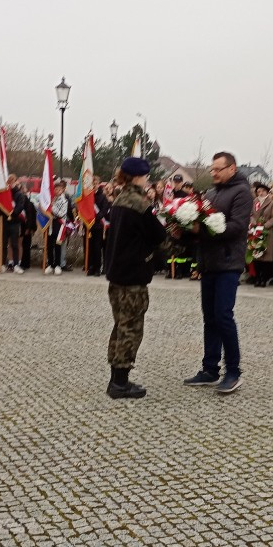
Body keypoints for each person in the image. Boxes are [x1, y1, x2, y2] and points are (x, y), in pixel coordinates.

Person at [183, 152, 252, 394]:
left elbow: (237, 227)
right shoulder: (211, 194)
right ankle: (209, 368)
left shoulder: (242, 192)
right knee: (209, 317)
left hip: (228, 262)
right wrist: (185, 227)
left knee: (223, 315)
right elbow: (202, 221)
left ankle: (233, 370)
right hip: (209, 263)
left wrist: (205, 228)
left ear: (232, 169)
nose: (213, 173)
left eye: (218, 169)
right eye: (212, 169)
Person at [103, 157, 168, 399]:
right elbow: (158, 235)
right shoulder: (140, 204)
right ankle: (120, 383)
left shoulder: (120, 199)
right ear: (139, 176)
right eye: (146, 175)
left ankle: (115, 379)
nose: (148, 179)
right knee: (131, 328)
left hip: (117, 274)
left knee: (120, 326)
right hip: (133, 276)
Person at [249, 180, 273, 287]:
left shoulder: (272, 202)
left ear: (267, 192)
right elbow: (251, 214)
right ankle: (257, 278)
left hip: (267, 232)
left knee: (265, 256)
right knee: (257, 255)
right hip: (256, 231)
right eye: (258, 191)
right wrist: (253, 223)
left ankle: (264, 278)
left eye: (262, 191)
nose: (260, 193)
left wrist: (264, 226)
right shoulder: (255, 202)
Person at [45, 179, 73, 275]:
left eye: (59, 189)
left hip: (59, 223)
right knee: (49, 244)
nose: (57, 191)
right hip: (50, 223)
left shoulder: (64, 201)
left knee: (57, 245)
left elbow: (61, 213)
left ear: (62, 190)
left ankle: (57, 265)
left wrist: (52, 207)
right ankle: (50, 264)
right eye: (55, 189)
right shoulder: (51, 199)